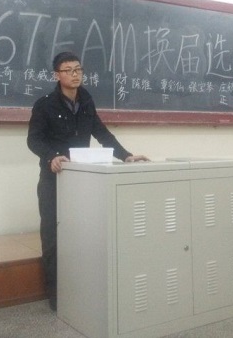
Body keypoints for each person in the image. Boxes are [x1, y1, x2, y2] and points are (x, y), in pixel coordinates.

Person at [27, 51, 149, 311]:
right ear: (57, 75)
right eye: (68, 70)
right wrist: (51, 156)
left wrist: (126, 156)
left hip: (81, 182)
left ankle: (79, 289)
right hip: (53, 179)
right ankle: (56, 296)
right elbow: (34, 140)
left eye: (78, 69)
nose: (75, 75)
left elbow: (102, 133)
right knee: (52, 237)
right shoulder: (45, 104)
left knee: (80, 235)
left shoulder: (86, 100)